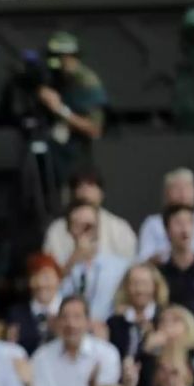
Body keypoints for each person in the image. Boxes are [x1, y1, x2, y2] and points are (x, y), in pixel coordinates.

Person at [27, 297, 122, 386]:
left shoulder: (106, 353)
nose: (71, 324)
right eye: (65, 318)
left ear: (88, 322)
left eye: (77, 317)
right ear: (57, 322)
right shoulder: (42, 357)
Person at [36, 31, 107, 185]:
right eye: (53, 57)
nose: (59, 63)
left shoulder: (86, 82)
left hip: (75, 163)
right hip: (50, 159)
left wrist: (60, 109)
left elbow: (95, 129)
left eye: (63, 57)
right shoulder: (50, 78)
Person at [43, 167, 137, 265]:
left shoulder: (120, 227)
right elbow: (48, 273)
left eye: (90, 185)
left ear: (101, 193)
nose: (85, 191)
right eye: (79, 186)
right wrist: (76, 256)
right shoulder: (56, 230)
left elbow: (132, 268)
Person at [60, 200, 130, 322]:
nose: (86, 231)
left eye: (89, 226)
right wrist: (74, 259)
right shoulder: (60, 266)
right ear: (69, 229)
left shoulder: (120, 267)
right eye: (79, 225)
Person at [130, 305, 194, 386]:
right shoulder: (149, 358)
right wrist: (147, 349)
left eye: (175, 320)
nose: (167, 324)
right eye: (162, 321)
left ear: (189, 326)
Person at [158, 204, 194, 350]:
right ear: (167, 230)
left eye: (189, 222)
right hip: (168, 344)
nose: (184, 229)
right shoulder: (159, 274)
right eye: (178, 223)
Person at [138, 168, 194, 263]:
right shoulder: (153, 224)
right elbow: (143, 260)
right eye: (177, 189)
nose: (183, 193)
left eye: (187, 188)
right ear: (166, 193)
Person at [106, 263, 170, 359]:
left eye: (145, 284)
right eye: (134, 283)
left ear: (155, 286)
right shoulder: (115, 322)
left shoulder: (165, 318)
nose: (140, 290)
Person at [6, 253, 64, 355]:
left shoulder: (70, 309)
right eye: (35, 277)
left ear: (58, 279)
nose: (41, 284)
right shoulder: (17, 314)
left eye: (46, 277)